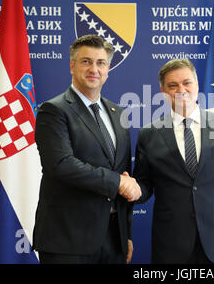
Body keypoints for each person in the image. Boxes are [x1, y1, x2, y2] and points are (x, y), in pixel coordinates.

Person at [133, 58, 214, 264]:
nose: (181, 89)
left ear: (197, 85)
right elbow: (144, 185)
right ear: (163, 90)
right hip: (171, 245)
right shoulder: (148, 134)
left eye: (187, 82)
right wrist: (131, 188)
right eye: (173, 85)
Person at [33, 34, 141, 264]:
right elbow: (61, 165)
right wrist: (118, 182)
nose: (94, 68)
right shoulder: (53, 110)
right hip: (68, 241)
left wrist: (126, 235)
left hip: (114, 240)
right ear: (72, 66)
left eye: (100, 62)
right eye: (86, 61)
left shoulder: (118, 113)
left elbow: (124, 173)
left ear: (108, 69)